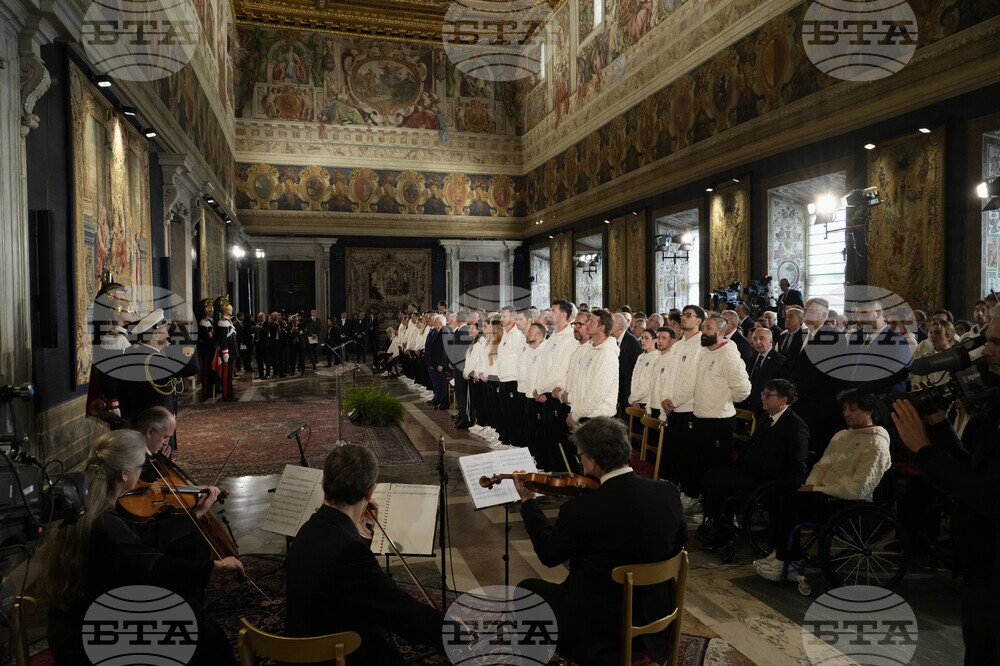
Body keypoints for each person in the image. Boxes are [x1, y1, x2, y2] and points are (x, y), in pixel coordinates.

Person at [40, 430, 244, 665]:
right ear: (124, 474)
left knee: (187, 611)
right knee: (204, 633)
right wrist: (216, 566)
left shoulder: (85, 506)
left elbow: (140, 543)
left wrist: (195, 514)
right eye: (140, 466)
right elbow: (156, 568)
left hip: (77, 622)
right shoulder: (104, 522)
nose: (142, 472)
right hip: (89, 638)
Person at [514, 417, 686, 666]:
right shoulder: (667, 493)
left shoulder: (580, 510)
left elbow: (548, 555)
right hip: (655, 619)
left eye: (580, 456)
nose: (580, 461)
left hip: (601, 631)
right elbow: (679, 547)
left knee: (527, 590)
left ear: (593, 461)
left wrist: (529, 501)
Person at [891, 315, 1000, 665]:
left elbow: (986, 495)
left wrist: (923, 450)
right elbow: (970, 467)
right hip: (980, 563)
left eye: (997, 343)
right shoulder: (993, 404)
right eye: (989, 341)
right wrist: (937, 429)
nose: (988, 351)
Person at [285, 443, 444, 665]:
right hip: (333, 654)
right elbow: (399, 612)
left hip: (301, 641)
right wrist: (449, 631)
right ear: (370, 491)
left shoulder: (307, 530)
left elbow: (349, 587)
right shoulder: (348, 551)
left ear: (323, 484)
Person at [756, 389, 892, 581]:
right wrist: (811, 485)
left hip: (849, 502)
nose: (846, 414)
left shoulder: (876, 443)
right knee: (780, 491)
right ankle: (780, 551)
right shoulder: (842, 435)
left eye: (853, 409)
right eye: (844, 409)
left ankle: (789, 560)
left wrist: (816, 489)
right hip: (826, 493)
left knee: (790, 502)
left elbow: (859, 488)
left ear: (869, 410)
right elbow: (822, 466)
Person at [699, 379, 809, 548]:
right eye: (763, 394)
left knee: (717, 481)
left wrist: (790, 489)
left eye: (768, 395)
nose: (763, 398)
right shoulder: (766, 416)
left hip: (768, 480)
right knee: (710, 475)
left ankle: (718, 527)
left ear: (783, 400)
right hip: (749, 471)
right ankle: (714, 524)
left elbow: (797, 462)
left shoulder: (795, 425)